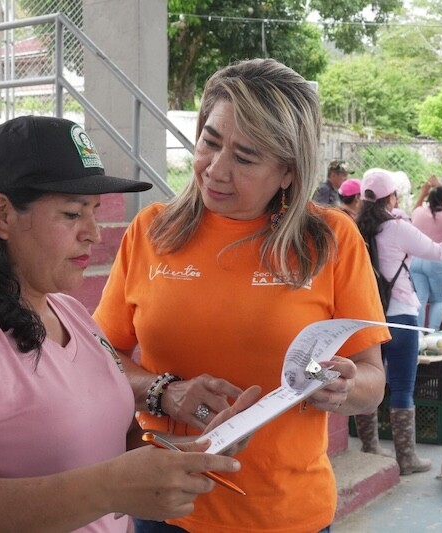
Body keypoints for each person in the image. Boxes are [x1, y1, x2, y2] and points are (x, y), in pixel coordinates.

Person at [0, 116, 262, 532]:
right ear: (2, 214)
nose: (93, 233)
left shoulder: (71, 313)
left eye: (94, 212)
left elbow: (117, 444)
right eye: (71, 213)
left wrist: (198, 449)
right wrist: (108, 489)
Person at [93, 58, 390, 533]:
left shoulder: (331, 239)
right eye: (210, 142)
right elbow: (99, 356)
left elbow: (371, 382)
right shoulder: (152, 230)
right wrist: (164, 393)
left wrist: (342, 388)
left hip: (287, 515)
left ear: (288, 171)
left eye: (245, 158)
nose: (216, 169)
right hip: (166, 503)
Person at [354, 169, 442, 474]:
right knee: (402, 387)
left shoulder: (355, 228)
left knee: (368, 383)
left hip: (367, 317)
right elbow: (437, 251)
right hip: (400, 316)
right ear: (391, 197)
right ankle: (406, 458)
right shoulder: (396, 228)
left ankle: (369, 448)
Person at [409, 175, 442, 330]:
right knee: (438, 301)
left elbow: (414, 212)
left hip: (417, 260)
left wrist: (422, 194)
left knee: (420, 298)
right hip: (437, 260)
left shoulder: (419, 213)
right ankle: (432, 333)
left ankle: (418, 333)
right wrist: (438, 184)